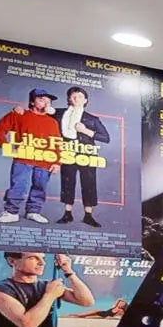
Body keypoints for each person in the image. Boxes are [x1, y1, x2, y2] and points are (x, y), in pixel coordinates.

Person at [0, 89, 64, 224]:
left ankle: (33, 211)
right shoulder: (19, 114)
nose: (46, 103)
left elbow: (57, 143)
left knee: (40, 186)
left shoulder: (52, 122)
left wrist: (57, 162)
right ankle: (11, 212)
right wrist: (8, 147)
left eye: (48, 101)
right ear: (32, 102)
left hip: (45, 160)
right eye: (41, 99)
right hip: (23, 158)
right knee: (18, 185)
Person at [53, 86, 110, 227]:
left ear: (85, 100)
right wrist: (18, 111)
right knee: (67, 182)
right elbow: (41, 111)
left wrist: (86, 131)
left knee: (89, 183)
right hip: (67, 152)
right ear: (68, 99)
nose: (76, 99)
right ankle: (67, 214)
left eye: (79, 96)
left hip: (87, 154)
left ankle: (88, 216)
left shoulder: (92, 119)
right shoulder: (59, 113)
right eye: (73, 96)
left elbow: (106, 138)